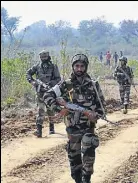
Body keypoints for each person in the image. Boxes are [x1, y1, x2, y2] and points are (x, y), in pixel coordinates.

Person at [43, 53, 106, 183]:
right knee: (75, 162)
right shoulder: (65, 85)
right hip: (72, 129)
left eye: (82, 66)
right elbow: (47, 96)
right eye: (76, 66)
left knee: (89, 148)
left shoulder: (93, 85)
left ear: (86, 67)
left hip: (88, 127)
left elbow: (102, 107)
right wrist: (60, 110)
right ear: (73, 67)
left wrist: (95, 115)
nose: (79, 69)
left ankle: (87, 178)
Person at [26, 50, 61, 137]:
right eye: (42, 57)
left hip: (50, 92)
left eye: (45, 57)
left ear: (48, 57)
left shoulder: (53, 66)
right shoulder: (37, 66)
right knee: (40, 110)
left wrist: (50, 84)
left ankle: (51, 128)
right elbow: (28, 73)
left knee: (50, 110)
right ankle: (39, 130)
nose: (43, 59)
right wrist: (32, 81)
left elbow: (58, 79)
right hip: (40, 92)